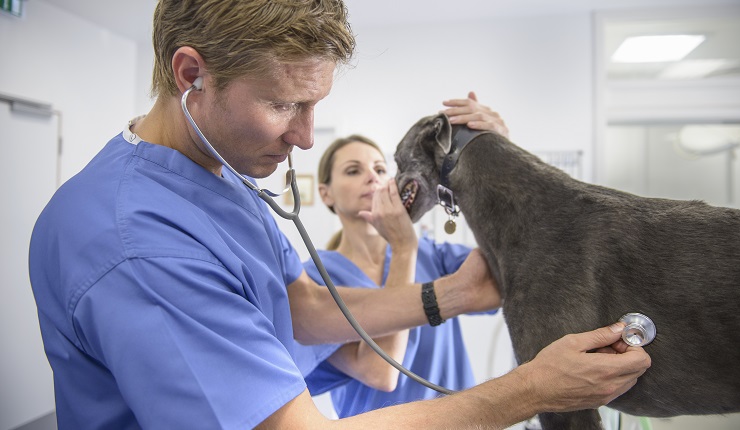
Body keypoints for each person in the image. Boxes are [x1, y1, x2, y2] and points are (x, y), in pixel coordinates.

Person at [28, 1, 651, 429]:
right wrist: (532, 390)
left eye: (314, 105)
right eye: (282, 105)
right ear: (191, 74)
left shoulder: (220, 175)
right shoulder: (137, 243)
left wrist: (455, 292)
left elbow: (304, 308)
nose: (305, 137)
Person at [294, 93, 509, 418]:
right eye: (353, 171)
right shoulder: (313, 282)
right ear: (326, 193)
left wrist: (496, 153)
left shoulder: (434, 254)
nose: (373, 176)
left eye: (381, 168)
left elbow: (511, 271)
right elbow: (382, 373)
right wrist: (404, 248)